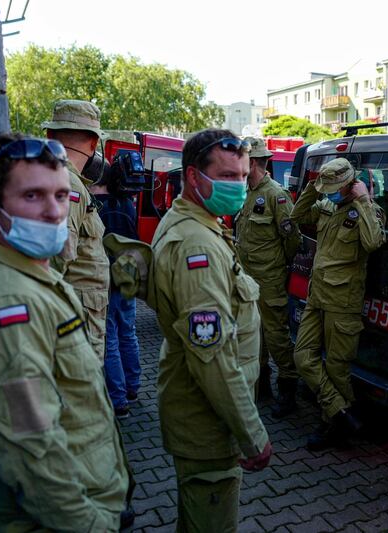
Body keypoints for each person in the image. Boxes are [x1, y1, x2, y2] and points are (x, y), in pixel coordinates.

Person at [0, 133, 129, 531]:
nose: (54, 212)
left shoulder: (40, 278)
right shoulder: (7, 306)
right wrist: (92, 525)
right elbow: (31, 449)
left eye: (62, 196)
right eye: (33, 196)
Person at [147, 129, 271, 532]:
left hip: (202, 411)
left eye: (241, 176)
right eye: (226, 176)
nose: (237, 185)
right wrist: (251, 433)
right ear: (193, 176)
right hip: (208, 419)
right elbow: (213, 358)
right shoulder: (195, 246)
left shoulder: (198, 224)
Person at [288, 158, 386, 450]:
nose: (329, 192)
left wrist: (364, 201)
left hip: (343, 302)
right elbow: (297, 215)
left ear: (350, 185)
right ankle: (341, 411)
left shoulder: (368, 211)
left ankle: (332, 425)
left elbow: (372, 243)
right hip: (317, 296)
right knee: (302, 356)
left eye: (333, 188)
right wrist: (313, 186)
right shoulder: (326, 206)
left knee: (337, 369)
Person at [235, 137, 301, 417]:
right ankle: (261, 386)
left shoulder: (277, 195)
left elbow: (292, 239)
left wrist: (279, 266)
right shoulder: (245, 192)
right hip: (247, 278)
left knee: (276, 336)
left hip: (270, 278)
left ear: (253, 163)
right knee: (253, 332)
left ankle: (288, 392)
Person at [43, 99, 110, 360]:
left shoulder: (57, 178)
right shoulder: (68, 184)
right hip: (76, 328)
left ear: (49, 135)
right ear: (94, 144)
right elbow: (58, 259)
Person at [89, 153, 145, 418]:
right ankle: (133, 388)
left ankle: (118, 399)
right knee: (128, 332)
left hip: (105, 278)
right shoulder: (127, 202)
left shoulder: (94, 207)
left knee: (109, 337)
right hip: (128, 273)